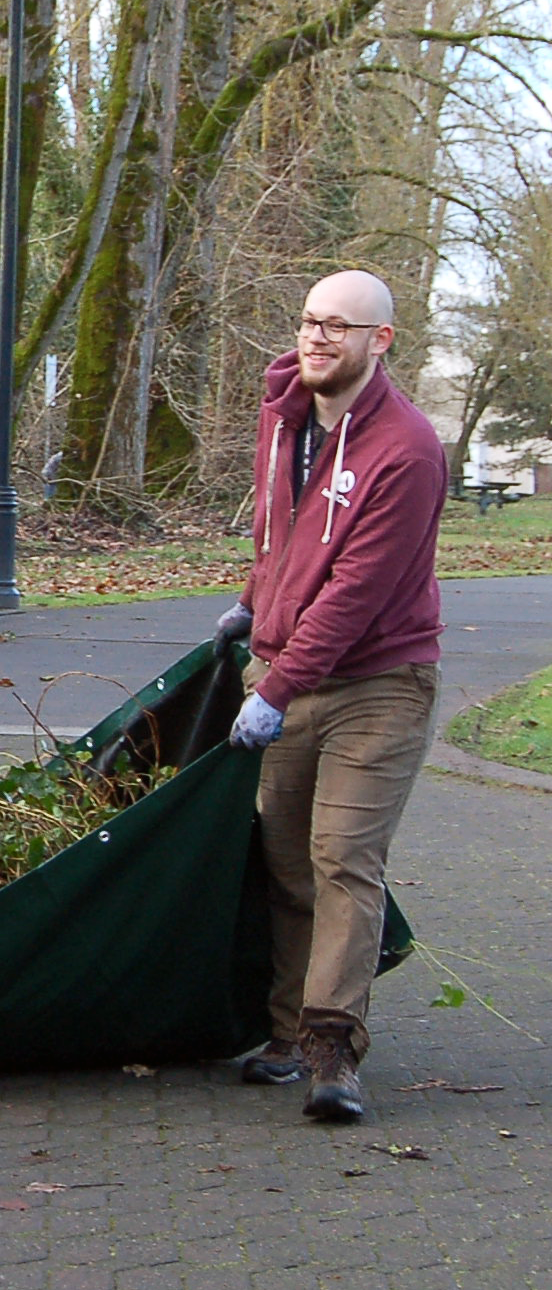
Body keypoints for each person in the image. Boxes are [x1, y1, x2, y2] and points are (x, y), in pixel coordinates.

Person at [214, 270, 445, 1123]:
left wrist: (274, 686)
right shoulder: (283, 418)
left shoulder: (407, 449)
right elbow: (281, 534)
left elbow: (354, 589)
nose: (317, 339)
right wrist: (251, 603)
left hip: (378, 683)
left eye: (339, 327)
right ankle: (282, 1033)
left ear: (378, 341)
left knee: (343, 857)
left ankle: (332, 1047)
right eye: (310, 322)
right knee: (284, 864)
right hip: (288, 671)